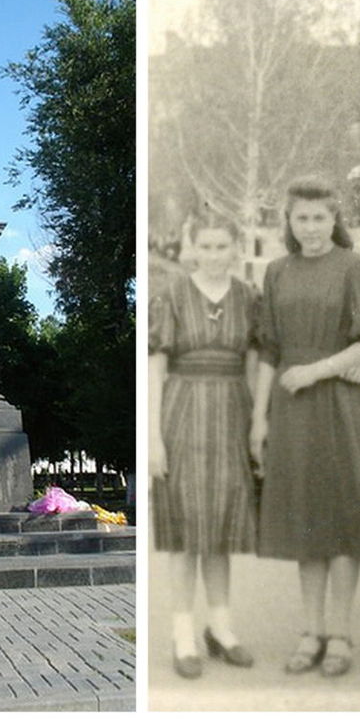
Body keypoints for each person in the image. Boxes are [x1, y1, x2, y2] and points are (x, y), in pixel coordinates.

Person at [252, 178, 360, 677]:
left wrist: (315, 371)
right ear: (289, 223)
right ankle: (310, 632)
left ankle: (341, 634)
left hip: (338, 404)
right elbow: (268, 348)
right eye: (301, 218)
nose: (310, 227)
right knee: (305, 523)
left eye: (319, 218)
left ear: (335, 220)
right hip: (289, 412)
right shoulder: (277, 272)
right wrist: (257, 421)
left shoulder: (356, 267)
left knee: (342, 521)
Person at [150, 212, 258, 677]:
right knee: (186, 528)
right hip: (183, 410)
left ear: (235, 248)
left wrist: (257, 425)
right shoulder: (172, 293)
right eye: (207, 247)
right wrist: (152, 435)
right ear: (193, 248)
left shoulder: (249, 298)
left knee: (222, 525)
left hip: (233, 411)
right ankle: (182, 633)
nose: (215, 255)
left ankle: (221, 626)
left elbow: (255, 361)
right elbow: (156, 364)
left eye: (223, 247)